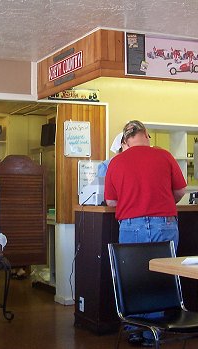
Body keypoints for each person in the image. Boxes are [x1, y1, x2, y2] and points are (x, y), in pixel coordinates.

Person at [104, 120, 187, 346]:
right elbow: (180, 190)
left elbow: (111, 201)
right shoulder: (165, 155)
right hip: (166, 223)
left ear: (125, 140)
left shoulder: (117, 162)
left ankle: (135, 329)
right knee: (162, 277)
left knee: (134, 276)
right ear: (146, 135)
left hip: (131, 225)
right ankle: (155, 332)